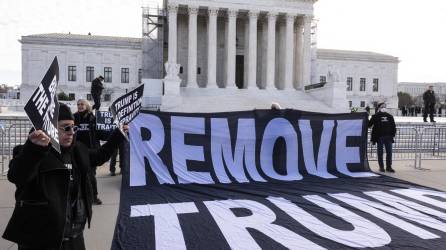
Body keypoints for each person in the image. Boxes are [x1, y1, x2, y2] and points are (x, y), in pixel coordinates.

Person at [2, 103, 126, 250]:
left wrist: (119, 134)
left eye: (74, 128)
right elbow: (17, 176)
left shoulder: (77, 150)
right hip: (40, 241)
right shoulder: (31, 153)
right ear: (50, 128)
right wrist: (34, 149)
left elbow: (99, 156)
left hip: (74, 237)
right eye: (66, 127)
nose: (71, 132)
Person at [74, 99, 102, 205]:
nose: (80, 106)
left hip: (91, 151)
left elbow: (100, 133)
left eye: (82, 104)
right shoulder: (74, 117)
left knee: (91, 175)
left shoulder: (93, 118)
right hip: (77, 150)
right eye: (78, 104)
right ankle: (80, 196)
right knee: (79, 174)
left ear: (87, 106)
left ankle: (94, 196)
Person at [368, 102, 396, 173]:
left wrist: (392, 135)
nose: (384, 107)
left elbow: (393, 126)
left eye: (385, 106)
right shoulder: (375, 116)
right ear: (379, 108)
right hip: (379, 137)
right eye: (382, 106)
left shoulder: (390, 116)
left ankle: (389, 167)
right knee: (380, 153)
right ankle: (381, 167)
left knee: (389, 153)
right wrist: (365, 116)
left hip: (388, 137)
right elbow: (369, 125)